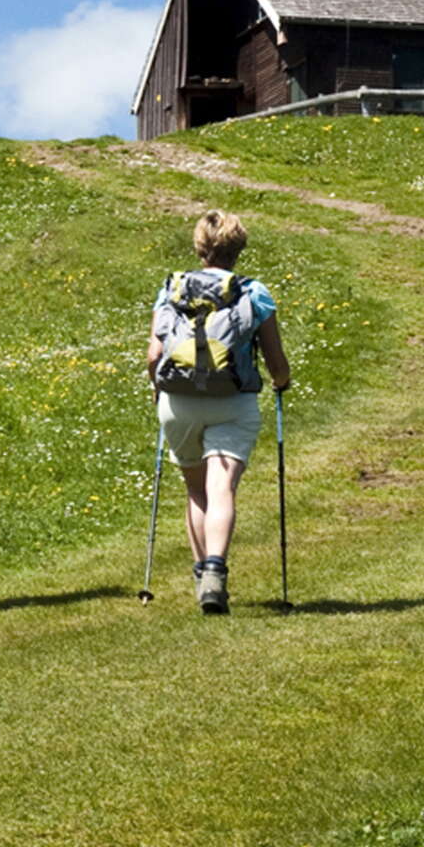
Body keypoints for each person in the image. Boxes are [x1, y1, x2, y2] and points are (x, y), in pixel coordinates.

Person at [147, 211, 291, 615]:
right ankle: (216, 569)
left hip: (178, 400)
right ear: (238, 248)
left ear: (199, 247)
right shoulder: (254, 292)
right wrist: (281, 381)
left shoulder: (171, 290)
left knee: (196, 489)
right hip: (233, 400)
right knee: (221, 487)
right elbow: (276, 360)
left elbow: (155, 355)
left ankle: (202, 579)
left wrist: (157, 389)